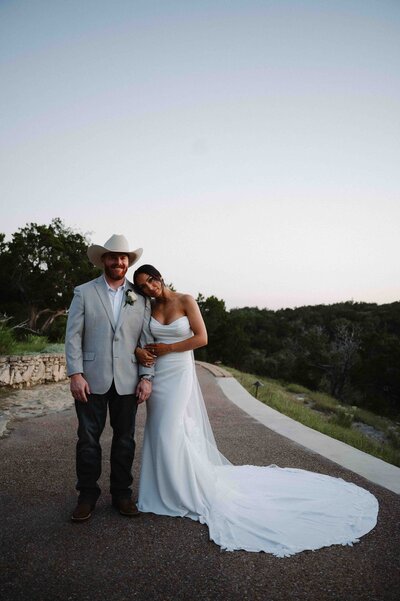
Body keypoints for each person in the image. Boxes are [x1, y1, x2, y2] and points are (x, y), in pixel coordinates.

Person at [133, 264, 379, 556]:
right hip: (157, 374)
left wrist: (168, 349)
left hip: (178, 370)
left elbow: (202, 338)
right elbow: (138, 338)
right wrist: (141, 352)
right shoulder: (146, 308)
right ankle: (160, 490)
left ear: (159, 276)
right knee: (159, 429)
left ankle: (185, 492)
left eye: (150, 280)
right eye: (142, 286)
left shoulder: (185, 300)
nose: (149, 287)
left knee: (171, 429)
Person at [65, 235, 154, 522]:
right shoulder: (84, 292)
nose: (119, 262)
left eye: (123, 257)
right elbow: (73, 336)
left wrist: (146, 377)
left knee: (125, 439)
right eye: (113, 257)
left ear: (128, 262)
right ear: (103, 260)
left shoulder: (140, 296)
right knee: (88, 440)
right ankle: (87, 496)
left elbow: (146, 340)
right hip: (91, 378)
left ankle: (121, 494)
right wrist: (75, 374)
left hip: (128, 380)